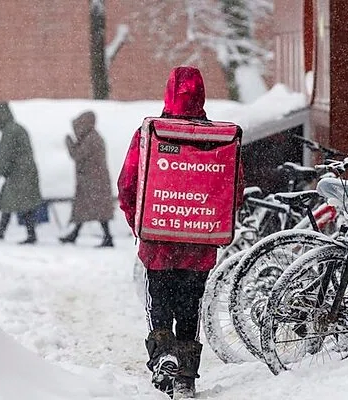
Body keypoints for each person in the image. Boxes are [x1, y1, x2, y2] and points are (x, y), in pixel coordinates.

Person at [117, 66, 243, 399]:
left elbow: (127, 184)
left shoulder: (151, 133)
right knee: (190, 306)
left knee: (159, 303)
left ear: (168, 93)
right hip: (199, 245)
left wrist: (141, 225)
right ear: (201, 94)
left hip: (158, 245)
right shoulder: (218, 140)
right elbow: (234, 190)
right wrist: (206, 220)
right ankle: (185, 377)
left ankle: (164, 354)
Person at [0, 102, 43, 245]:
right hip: (22, 172)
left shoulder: (10, 131)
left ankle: (23, 234)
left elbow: (6, 156)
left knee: (16, 202)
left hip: (20, 174)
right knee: (16, 202)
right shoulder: (15, 128)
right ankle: (23, 233)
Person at [60, 111, 115, 247]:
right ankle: (76, 234)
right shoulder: (92, 137)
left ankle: (106, 237)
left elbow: (77, 155)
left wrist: (69, 143)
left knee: (93, 209)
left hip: (94, 181)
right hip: (92, 180)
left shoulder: (91, 139)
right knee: (87, 208)